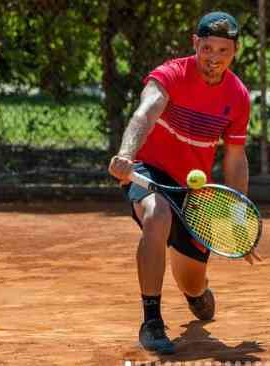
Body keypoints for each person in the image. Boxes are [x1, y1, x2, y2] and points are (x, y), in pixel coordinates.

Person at [108, 10, 262, 355]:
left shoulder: (237, 96)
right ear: (195, 43)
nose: (214, 58)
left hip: (194, 191)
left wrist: (238, 219)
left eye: (223, 51)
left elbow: (235, 158)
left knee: (192, 284)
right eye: (207, 48)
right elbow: (146, 111)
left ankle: (197, 295)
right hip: (148, 170)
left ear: (234, 51)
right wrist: (125, 154)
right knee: (156, 215)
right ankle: (151, 321)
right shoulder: (171, 75)